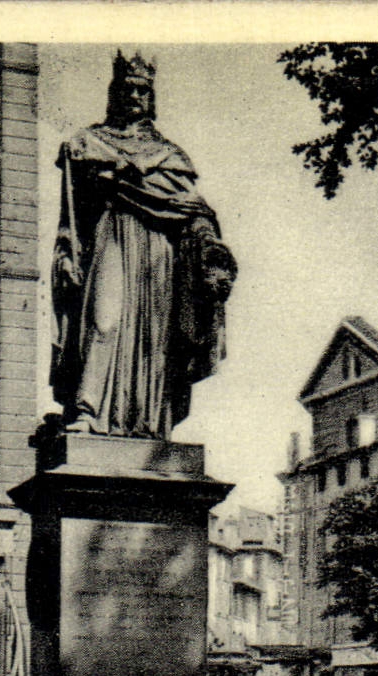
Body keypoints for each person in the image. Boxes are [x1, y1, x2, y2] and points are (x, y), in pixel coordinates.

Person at [51, 52, 236, 439]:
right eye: (128, 89)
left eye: (143, 91)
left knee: (154, 338)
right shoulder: (88, 142)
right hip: (111, 236)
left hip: (158, 252)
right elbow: (71, 214)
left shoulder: (170, 154)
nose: (135, 96)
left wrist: (211, 253)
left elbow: (192, 209)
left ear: (151, 98)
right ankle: (88, 410)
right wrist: (67, 251)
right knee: (104, 320)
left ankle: (150, 422)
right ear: (114, 93)